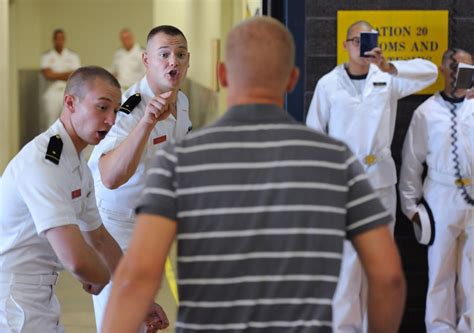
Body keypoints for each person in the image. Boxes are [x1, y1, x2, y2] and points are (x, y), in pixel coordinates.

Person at [102, 16, 406, 333]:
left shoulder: (178, 162)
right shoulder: (338, 162)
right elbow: (389, 278)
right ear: (292, 79)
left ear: (222, 74)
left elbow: (137, 279)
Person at [305, 20, 438, 332]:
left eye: (367, 40)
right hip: (344, 185)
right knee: (347, 265)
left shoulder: (387, 78)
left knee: (378, 266)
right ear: (345, 44)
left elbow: (431, 72)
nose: (361, 47)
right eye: (356, 41)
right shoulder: (328, 84)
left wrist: (389, 65)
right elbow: (314, 135)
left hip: (380, 182)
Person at [0, 66, 122, 332]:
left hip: (39, 293)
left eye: (116, 111)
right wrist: (101, 275)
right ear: (70, 103)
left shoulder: (76, 162)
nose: (111, 120)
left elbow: (98, 238)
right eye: (102, 108)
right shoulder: (44, 164)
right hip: (13, 299)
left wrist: (137, 294)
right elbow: (76, 259)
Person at [88, 25, 191, 332]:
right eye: (164, 55)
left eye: (180, 55)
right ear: (146, 60)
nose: (173, 62)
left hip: (148, 226)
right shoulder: (129, 108)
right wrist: (146, 124)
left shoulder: (181, 102)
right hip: (114, 227)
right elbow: (110, 176)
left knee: (143, 322)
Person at [399, 48, 473, 332]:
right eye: (454, 68)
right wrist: (411, 209)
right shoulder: (426, 113)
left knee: (471, 273)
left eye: (467, 69)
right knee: (440, 270)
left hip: (472, 194)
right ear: (443, 70)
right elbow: (411, 164)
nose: (459, 75)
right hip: (440, 197)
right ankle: (440, 327)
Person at [41, 29, 81, 130]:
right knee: (51, 121)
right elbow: (47, 75)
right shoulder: (47, 56)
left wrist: (55, 74)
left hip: (68, 91)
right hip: (53, 91)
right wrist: (66, 74)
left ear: (64, 39)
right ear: (53, 40)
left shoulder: (73, 56)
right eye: (57, 39)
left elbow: (75, 75)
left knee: (69, 121)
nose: (59, 41)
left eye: (61, 38)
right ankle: (52, 145)